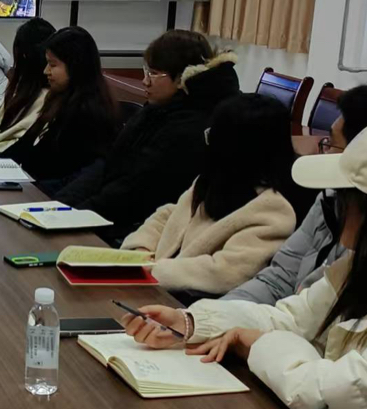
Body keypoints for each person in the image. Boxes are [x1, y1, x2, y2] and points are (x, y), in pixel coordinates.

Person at [121, 118, 367, 409]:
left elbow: (325, 391)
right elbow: (291, 317)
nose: (334, 206)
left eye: (342, 197)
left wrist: (259, 344)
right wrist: (190, 322)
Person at [222, 82, 367, 305]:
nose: (322, 151)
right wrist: (210, 316)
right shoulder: (330, 197)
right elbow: (278, 279)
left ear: (366, 156)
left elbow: (313, 318)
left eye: (332, 144)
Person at [53, 30, 240, 244]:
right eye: (146, 71)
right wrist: (61, 206)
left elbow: (135, 192)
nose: (145, 81)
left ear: (183, 77)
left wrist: (73, 217)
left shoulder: (188, 128)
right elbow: (110, 166)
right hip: (109, 215)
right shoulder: (159, 108)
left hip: (136, 232)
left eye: (153, 74)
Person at [120, 94, 299, 296]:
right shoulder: (214, 180)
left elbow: (225, 272)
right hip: (154, 286)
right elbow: (171, 214)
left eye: (213, 136)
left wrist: (154, 270)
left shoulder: (273, 212)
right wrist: (142, 250)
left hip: (190, 302)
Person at [0, 26, 119, 191]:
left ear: (75, 66)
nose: (45, 71)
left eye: (52, 65)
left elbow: (71, 178)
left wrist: (27, 188)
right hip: (35, 188)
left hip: (50, 196)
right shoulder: (58, 99)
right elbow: (25, 146)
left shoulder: (88, 114)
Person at [0, 18, 57, 154]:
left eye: (53, 64)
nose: (47, 70)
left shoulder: (48, 99)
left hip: (6, 159)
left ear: (23, 55)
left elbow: (21, 145)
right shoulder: (19, 89)